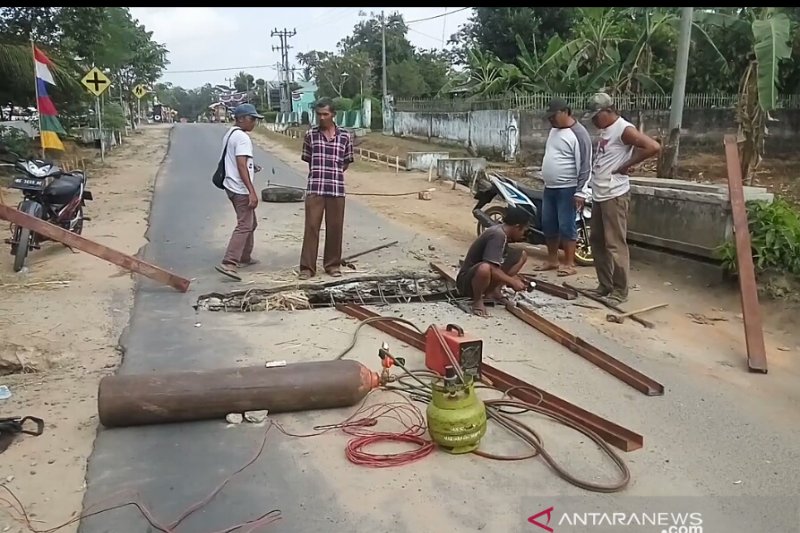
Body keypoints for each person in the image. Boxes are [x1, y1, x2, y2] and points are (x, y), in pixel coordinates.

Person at [583, 92, 660, 304]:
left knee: (615, 243)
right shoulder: (606, 130)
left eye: (596, 116)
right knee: (597, 240)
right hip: (600, 192)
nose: (594, 121)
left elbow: (653, 147)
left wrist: (626, 165)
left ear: (608, 111)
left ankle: (620, 290)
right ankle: (604, 285)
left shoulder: (623, 129)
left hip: (614, 194)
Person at [299, 98, 354, 279]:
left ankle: (332, 265)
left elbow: (345, 162)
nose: (321, 118)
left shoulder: (345, 136)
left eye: (325, 114)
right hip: (315, 188)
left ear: (333, 115)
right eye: (319, 114)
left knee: (335, 227)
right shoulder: (310, 135)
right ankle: (307, 268)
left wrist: (333, 173)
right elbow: (308, 159)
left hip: (336, 189)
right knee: (312, 227)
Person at [537, 98, 593, 277]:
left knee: (566, 225)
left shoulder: (579, 134)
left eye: (554, 116)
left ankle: (569, 263)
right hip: (550, 187)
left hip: (568, 188)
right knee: (548, 224)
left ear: (565, 112)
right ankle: (552, 260)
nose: (551, 120)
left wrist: (580, 191)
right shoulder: (554, 131)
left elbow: (585, 165)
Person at [215, 103, 263, 281]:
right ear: (241, 119)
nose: (254, 123)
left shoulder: (231, 134)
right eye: (252, 119)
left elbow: (238, 161)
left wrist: (252, 166)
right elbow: (241, 164)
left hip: (231, 184)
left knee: (251, 223)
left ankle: (245, 256)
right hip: (240, 187)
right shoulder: (242, 138)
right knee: (244, 225)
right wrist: (251, 191)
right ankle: (230, 262)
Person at [456, 206, 531, 317]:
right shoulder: (497, 235)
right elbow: (491, 267)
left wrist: (514, 278)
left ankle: (494, 292)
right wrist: (512, 282)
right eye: (523, 230)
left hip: (481, 274)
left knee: (521, 255)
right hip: (466, 282)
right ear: (517, 227)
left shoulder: (502, 232)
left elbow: (499, 262)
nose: (523, 234)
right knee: (485, 268)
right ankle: (477, 300)